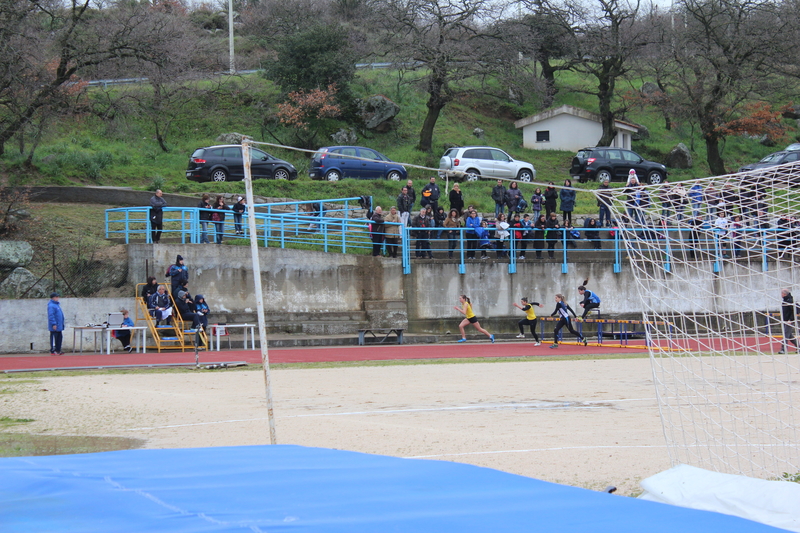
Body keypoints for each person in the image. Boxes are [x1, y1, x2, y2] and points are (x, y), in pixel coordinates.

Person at [778, 289, 799, 354]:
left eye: (782, 293)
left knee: (786, 335)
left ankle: (783, 349)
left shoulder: (790, 301)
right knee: (790, 336)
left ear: (784, 294)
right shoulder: (785, 300)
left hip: (789, 321)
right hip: (785, 320)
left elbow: (794, 311)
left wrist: (790, 319)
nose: (781, 295)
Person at [47, 291, 65, 356]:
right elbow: (51, 315)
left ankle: (58, 350)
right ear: (53, 298)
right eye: (56, 297)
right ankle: (53, 350)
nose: (58, 298)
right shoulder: (51, 306)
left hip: (59, 325)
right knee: (54, 337)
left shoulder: (56, 305)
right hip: (55, 325)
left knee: (59, 337)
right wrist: (53, 324)